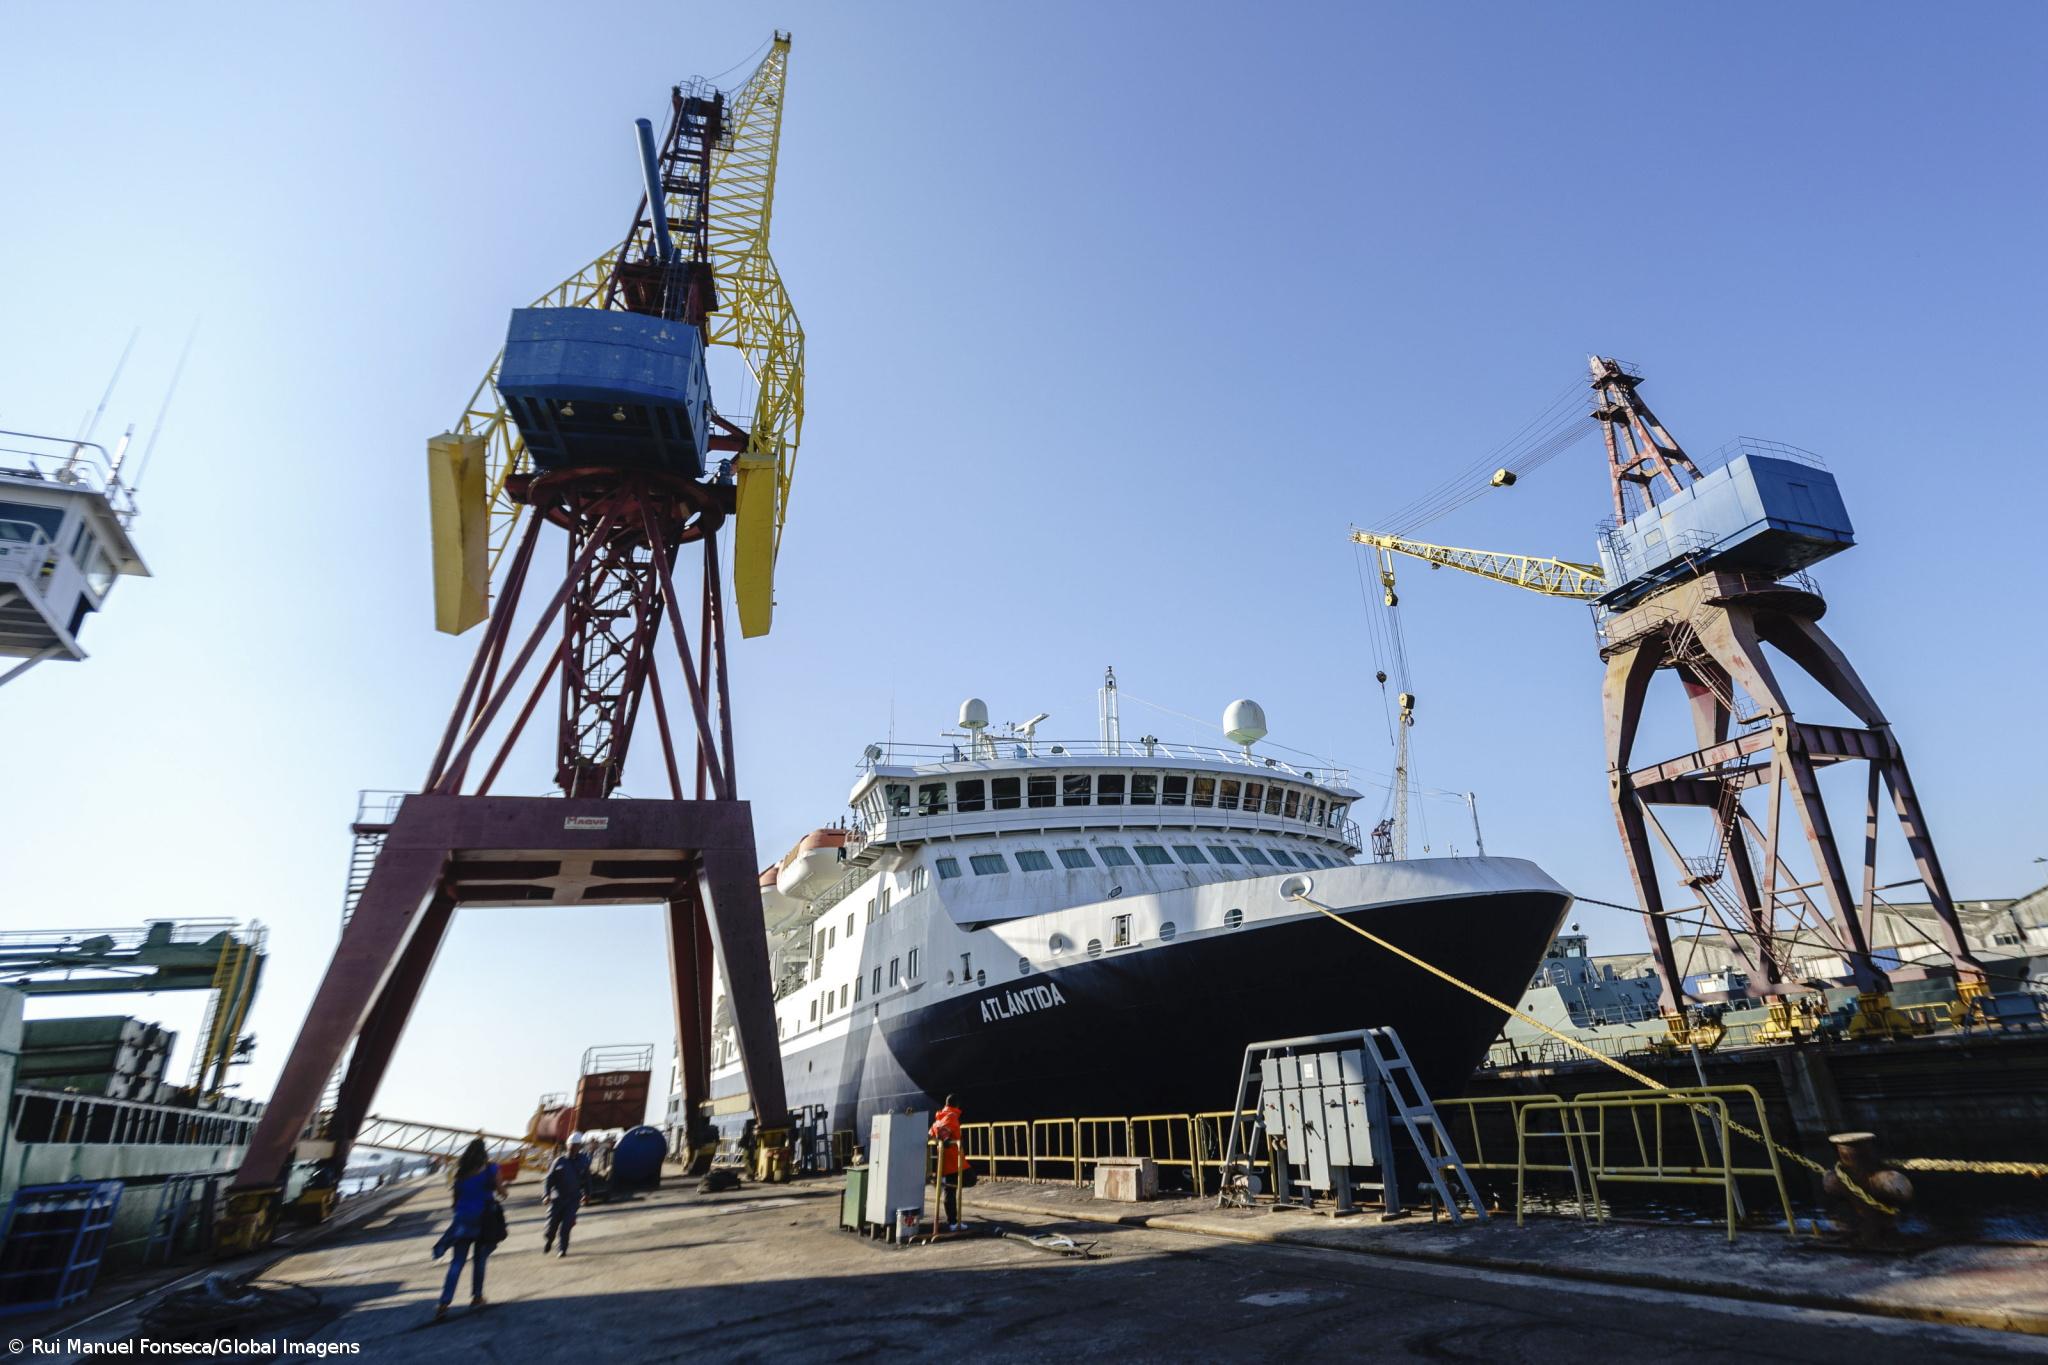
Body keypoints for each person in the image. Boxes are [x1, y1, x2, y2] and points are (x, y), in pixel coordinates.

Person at [431, 1138, 500, 1322]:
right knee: (480, 1259)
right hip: (483, 1219)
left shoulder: (460, 1174)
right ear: (484, 1152)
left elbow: (455, 1202)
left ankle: (444, 1304)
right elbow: (501, 1190)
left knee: (457, 1262)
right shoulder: (491, 1169)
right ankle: (477, 1297)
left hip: (462, 1220)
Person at [544, 1132, 592, 1256]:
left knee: (566, 1226)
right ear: (567, 1146)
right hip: (557, 1199)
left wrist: (587, 1194)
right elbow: (549, 1179)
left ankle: (562, 1249)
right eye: (571, 1145)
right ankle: (549, 1240)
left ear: (579, 1146)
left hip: (573, 1199)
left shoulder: (583, 1161)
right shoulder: (559, 1161)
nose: (573, 1148)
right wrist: (546, 1194)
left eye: (576, 1145)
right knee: (551, 1226)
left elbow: (587, 1179)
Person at [929, 1095, 965, 1230]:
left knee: (950, 1190)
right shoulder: (951, 1116)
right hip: (952, 1161)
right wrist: (945, 1138)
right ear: (957, 1105)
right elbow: (944, 1133)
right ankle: (953, 1223)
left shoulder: (938, 1118)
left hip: (943, 1161)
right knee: (967, 1179)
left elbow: (931, 1134)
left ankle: (953, 1221)